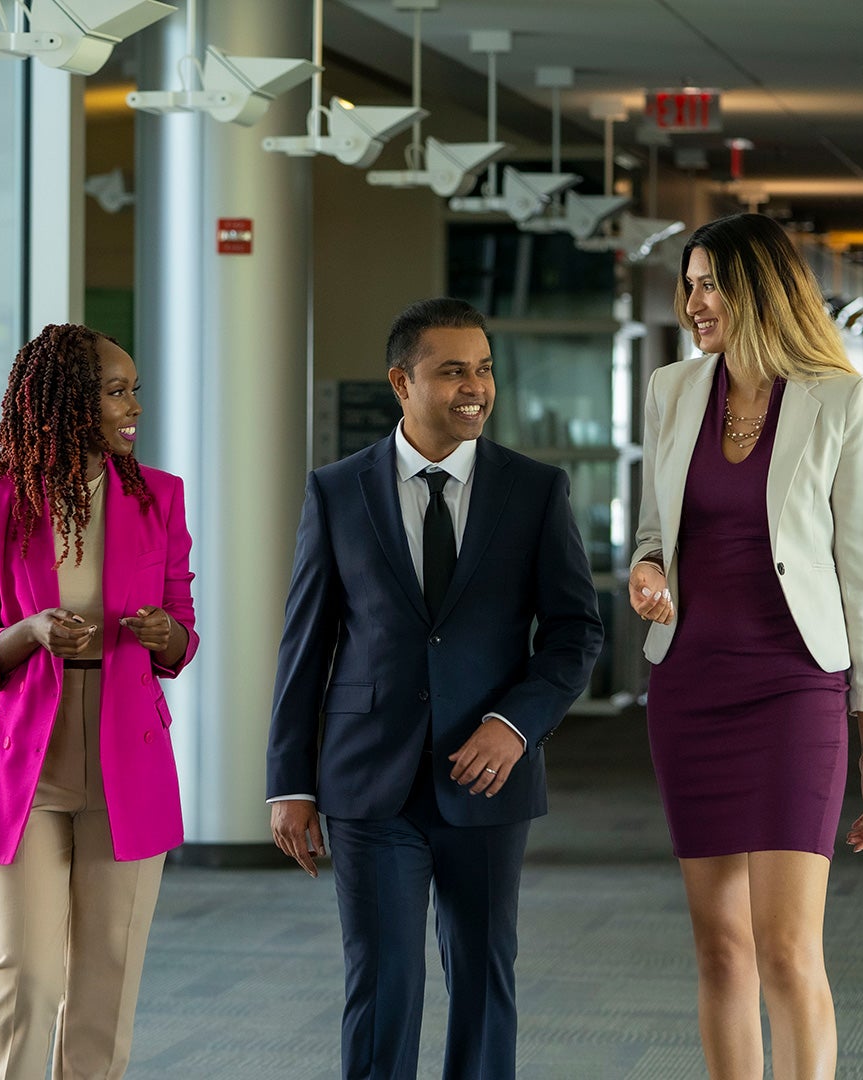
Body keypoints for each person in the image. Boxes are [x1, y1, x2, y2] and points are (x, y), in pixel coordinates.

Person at [268, 298, 604, 1079]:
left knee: (484, 978)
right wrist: (289, 781)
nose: (475, 388)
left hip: (486, 777)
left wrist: (514, 726)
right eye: (452, 371)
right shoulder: (336, 490)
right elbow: (305, 644)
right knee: (383, 984)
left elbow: (573, 633)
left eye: (483, 370)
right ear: (401, 381)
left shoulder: (535, 490)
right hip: (366, 779)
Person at [629, 212, 863, 1080]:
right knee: (721, 951)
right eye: (692, 283)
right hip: (690, 686)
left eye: (712, 284)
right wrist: (647, 570)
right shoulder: (673, 390)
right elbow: (653, 531)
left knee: (785, 951)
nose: (694, 301)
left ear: (760, 290)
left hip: (795, 689)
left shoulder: (840, 399)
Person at [0, 323, 199, 1080]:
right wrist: (25, 633)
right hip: (25, 761)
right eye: (117, 392)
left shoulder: (160, 497)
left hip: (128, 752)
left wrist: (163, 634)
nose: (135, 409)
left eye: (135, 391)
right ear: (64, 404)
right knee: (27, 975)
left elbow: (182, 632)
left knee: (106, 977)